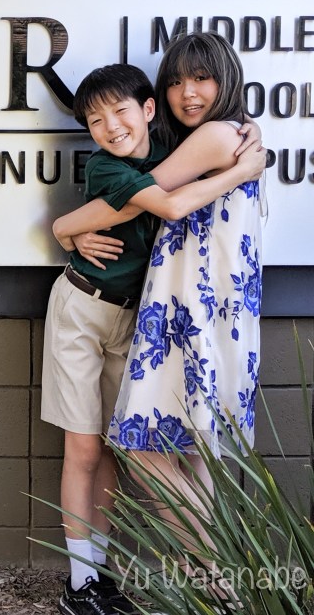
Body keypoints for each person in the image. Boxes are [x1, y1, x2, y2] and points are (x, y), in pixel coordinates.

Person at [42, 61, 265, 615]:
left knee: (116, 446)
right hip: (82, 310)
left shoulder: (169, 148)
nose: (110, 127)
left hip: (137, 319)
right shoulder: (107, 167)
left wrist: (251, 135)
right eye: (95, 121)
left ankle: (103, 574)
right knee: (84, 447)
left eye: (120, 112)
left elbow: (215, 141)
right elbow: (170, 205)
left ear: (147, 109)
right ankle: (80, 584)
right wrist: (244, 169)